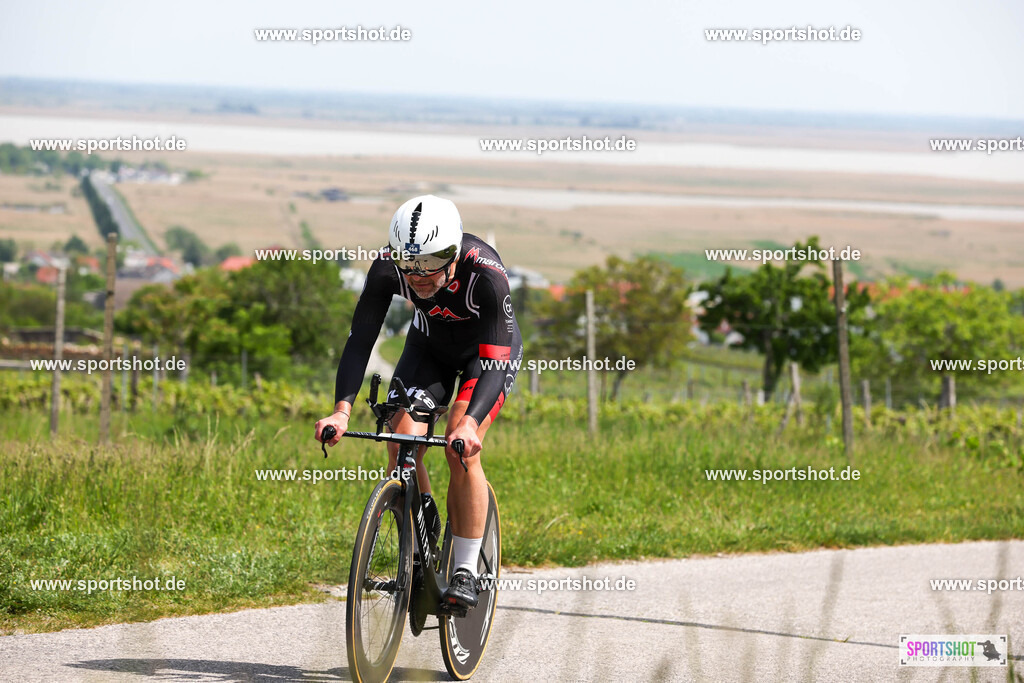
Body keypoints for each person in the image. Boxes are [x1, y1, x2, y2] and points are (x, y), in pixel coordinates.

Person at [315, 194, 522, 611]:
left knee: (459, 445)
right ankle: (421, 531)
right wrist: (341, 410)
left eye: (429, 265)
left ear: (452, 254)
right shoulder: (387, 267)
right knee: (401, 441)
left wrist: (470, 424)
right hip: (429, 348)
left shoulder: (486, 274)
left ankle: (465, 571)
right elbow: (361, 339)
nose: (417, 277)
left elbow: (495, 362)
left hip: (486, 358)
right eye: (408, 266)